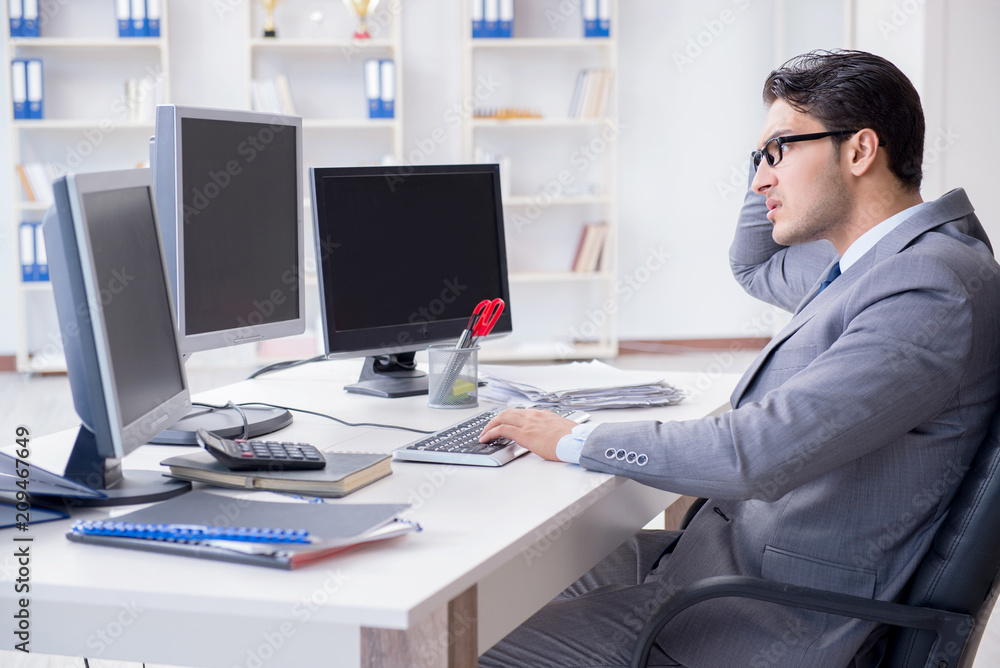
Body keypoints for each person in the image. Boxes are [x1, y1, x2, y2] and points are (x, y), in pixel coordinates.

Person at [477, 50, 1000, 668]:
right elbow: (756, 263)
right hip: (713, 567)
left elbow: (750, 454)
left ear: (860, 151)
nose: (758, 181)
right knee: (507, 584)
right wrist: (772, 142)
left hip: (754, 623)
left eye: (779, 153)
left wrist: (573, 438)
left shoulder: (925, 286)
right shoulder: (880, 262)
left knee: (458, 641)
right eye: (761, 159)